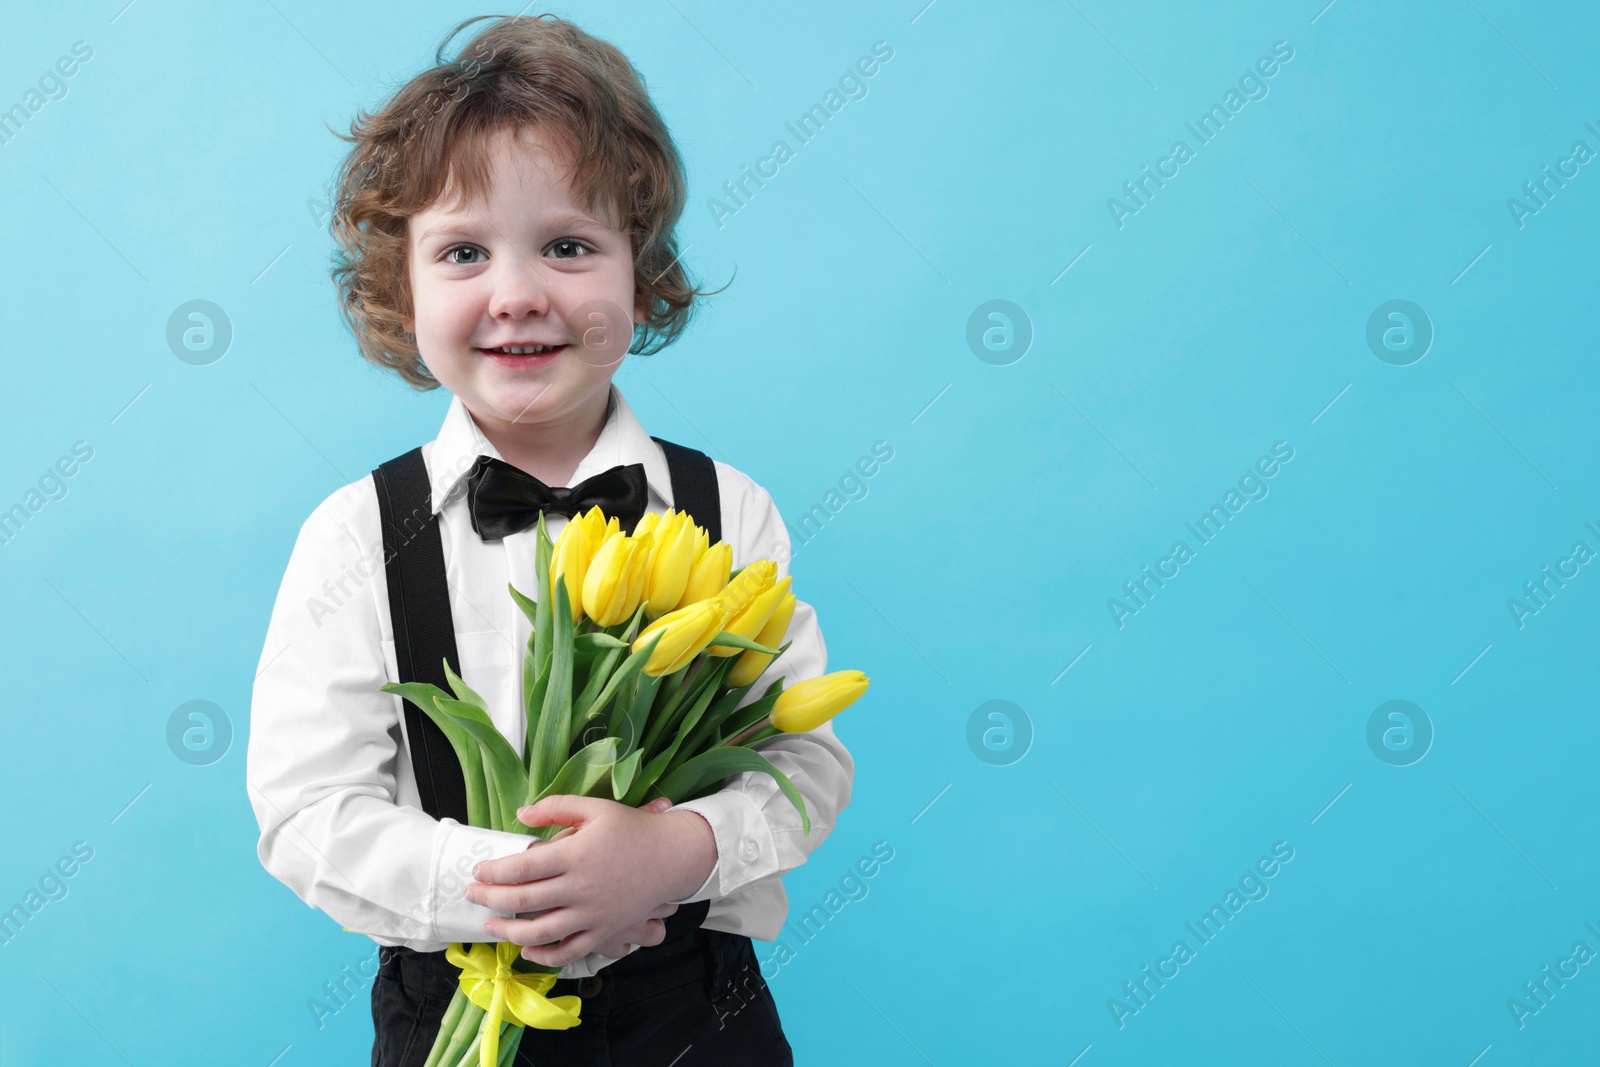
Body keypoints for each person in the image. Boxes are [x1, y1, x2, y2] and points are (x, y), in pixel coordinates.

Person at [245, 14, 853, 1065]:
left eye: (569, 246)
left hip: (694, 1003)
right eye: (464, 251)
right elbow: (306, 814)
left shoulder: (727, 507)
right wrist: (517, 889)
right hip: (455, 1003)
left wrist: (677, 850)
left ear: (640, 272)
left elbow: (805, 760)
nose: (519, 293)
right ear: (403, 288)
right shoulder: (355, 533)